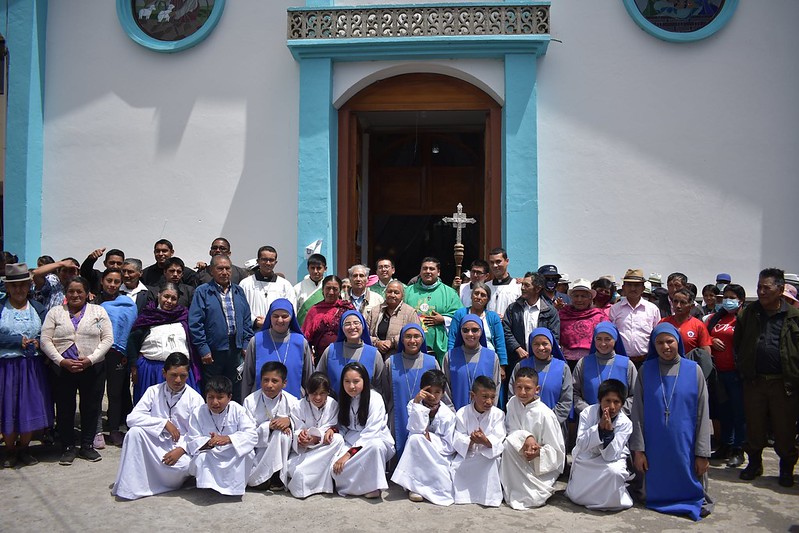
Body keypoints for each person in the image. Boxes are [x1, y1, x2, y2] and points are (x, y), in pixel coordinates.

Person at [630, 323, 712, 521]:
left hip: (686, 444)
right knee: (648, 491)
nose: (665, 347)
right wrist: (638, 450)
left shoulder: (694, 370)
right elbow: (637, 413)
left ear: (678, 342)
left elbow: (703, 414)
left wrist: (702, 453)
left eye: (670, 341)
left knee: (692, 485)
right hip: (654, 446)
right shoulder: (646, 371)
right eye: (659, 343)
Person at [733, 268, 799, 487]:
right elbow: (738, 344)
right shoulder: (748, 314)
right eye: (759, 287)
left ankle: (786, 468)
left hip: (783, 384)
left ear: (780, 290)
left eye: (766, 288)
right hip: (755, 381)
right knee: (754, 426)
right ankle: (754, 463)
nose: (761, 292)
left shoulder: (793, 316)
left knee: (785, 428)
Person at [40, 276, 114, 465]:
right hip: (62, 368)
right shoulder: (55, 313)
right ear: (66, 293)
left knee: (91, 407)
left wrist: (91, 359)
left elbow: (108, 339)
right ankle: (67, 447)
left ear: (87, 293)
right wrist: (61, 361)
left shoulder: (98, 311)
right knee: (65, 408)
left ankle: (87, 446)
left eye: (79, 291)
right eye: (71, 291)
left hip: (92, 367)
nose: (75, 295)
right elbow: (45, 340)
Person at [112, 353, 204, 500]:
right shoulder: (153, 391)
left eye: (183, 376)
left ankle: (166, 482)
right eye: (173, 375)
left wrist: (181, 450)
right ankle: (132, 487)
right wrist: (163, 424)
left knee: (185, 466)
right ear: (164, 373)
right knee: (134, 432)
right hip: (155, 443)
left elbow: (199, 433)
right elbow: (132, 418)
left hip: (179, 447)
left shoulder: (195, 398)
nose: (178, 380)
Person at [0, 263, 52, 468]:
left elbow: (48, 332)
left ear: (29, 286)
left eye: (23, 285)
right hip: (6, 366)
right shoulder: (1, 307)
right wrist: (16, 342)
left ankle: (24, 448)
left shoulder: (38, 308)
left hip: (32, 366)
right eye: (14, 286)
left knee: (28, 406)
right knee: (8, 407)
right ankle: (10, 450)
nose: (19, 290)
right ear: (7, 287)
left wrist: (39, 341)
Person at [189, 254, 254, 402]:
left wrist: (246, 344)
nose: (224, 272)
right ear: (212, 270)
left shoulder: (238, 291)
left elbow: (246, 320)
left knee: (234, 388)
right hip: (213, 351)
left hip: (235, 350)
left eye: (227, 268)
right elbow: (195, 323)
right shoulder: (203, 291)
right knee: (213, 389)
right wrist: (203, 349)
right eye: (220, 268)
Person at [501, 367, 565, 509]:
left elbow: (557, 452)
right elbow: (511, 430)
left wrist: (538, 452)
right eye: (519, 387)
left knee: (534, 498)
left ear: (537, 389)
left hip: (538, 464)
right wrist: (526, 437)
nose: (522, 392)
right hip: (517, 458)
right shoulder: (512, 403)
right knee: (507, 445)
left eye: (528, 388)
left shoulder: (546, 414)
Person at [565, 378, 634, 511]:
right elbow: (581, 443)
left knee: (614, 472)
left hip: (612, 459)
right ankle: (583, 496)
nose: (612, 407)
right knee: (580, 475)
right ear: (600, 400)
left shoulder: (626, 423)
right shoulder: (587, 413)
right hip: (587, 457)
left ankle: (609, 501)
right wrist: (599, 429)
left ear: (622, 403)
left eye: (616, 402)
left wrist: (608, 434)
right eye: (607, 401)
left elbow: (610, 456)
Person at [391, 369, 457, 505]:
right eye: (428, 391)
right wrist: (417, 403)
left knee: (418, 440)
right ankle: (414, 487)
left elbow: (449, 446)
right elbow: (415, 429)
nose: (432, 396)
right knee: (415, 439)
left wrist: (430, 438)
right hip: (417, 449)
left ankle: (426, 487)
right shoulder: (413, 404)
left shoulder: (448, 415)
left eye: (437, 392)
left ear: (443, 393)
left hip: (439, 455)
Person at [185, 375, 258, 496]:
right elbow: (192, 439)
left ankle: (235, 488)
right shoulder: (198, 412)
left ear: (229, 397)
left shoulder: (238, 410)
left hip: (232, 450)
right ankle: (209, 485)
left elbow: (251, 435)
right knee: (202, 457)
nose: (214, 402)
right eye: (210, 397)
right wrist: (209, 442)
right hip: (210, 451)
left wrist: (228, 439)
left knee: (247, 454)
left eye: (220, 397)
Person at [128, 283, 201, 403]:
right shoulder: (148, 316)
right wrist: (134, 366)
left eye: (173, 298)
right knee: (152, 405)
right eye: (166, 296)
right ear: (159, 295)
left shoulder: (184, 316)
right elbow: (132, 342)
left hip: (180, 371)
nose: (169, 301)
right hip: (151, 370)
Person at [332, 362, 395, 498]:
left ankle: (374, 487)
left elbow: (372, 432)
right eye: (347, 381)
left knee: (375, 447)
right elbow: (343, 426)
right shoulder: (344, 398)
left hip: (374, 439)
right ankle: (361, 487)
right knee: (335, 469)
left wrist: (348, 454)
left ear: (364, 381)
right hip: (350, 440)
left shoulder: (375, 398)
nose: (351, 386)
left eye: (356, 381)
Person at [92, 268, 138, 447]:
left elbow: (131, 329)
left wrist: (127, 352)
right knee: (95, 393)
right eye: (109, 280)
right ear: (102, 281)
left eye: (116, 282)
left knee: (115, 394)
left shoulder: (127, 303)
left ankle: (114, 429)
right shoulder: (93, 302)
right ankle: (96, 431)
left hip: (118, 354)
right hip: (96, 353)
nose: (112, 285)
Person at [381, 323, 441, 458]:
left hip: (426, 419)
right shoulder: (391, 363)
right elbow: (385, 393)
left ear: (423, 339)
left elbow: (441, 394)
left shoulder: (432, 363)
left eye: (416, 336)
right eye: (408, 336)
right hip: (397, 417)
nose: (412, 340)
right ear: (402, 339)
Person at [502, 271, 560, 405]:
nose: (522, 288)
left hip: (542, 362)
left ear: (538, 288)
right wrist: (517, 348)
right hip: (518, 361)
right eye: (522, 284)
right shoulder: (513, 309)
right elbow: (506, 330)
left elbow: (554, 336)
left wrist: (540, 353)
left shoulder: (550, 311)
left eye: (526, 285)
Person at [706, 283, 746, 468]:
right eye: (725, 297)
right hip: (719, 373)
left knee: (739, 412)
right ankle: (726, 445)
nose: (728, 301)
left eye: (732, 298)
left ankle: (738, 449)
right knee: (724, 412)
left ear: (741, 300)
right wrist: (711, 339)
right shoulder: (716, 318)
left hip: (736, 373)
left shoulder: (744, 319)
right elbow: (704, 336)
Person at [286, 372, 345, 498]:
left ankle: (304, 471)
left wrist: (324, 434)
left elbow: (333, 426)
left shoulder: (333, 404)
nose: (318, 397)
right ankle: (302, 470)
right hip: (305, 452)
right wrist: (303, 437)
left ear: (328, 392)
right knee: (299, 473)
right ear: (307, 391)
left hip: (323, 448)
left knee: (338, 439)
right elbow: (297, 430)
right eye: (314, 393)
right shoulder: (299, 406)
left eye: (322, 393)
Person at [242, 298, 313, 401]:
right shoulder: (257, 341)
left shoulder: (301, 342)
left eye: (284, 316)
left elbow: (309, 379)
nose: (280, 320)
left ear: (291, 317)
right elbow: (247, 378)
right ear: (269, 317)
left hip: (294, 404)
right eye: (275, 316)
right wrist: (245, 404)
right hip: (261, 404)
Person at [243, 361, 300, 490]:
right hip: (259, 450)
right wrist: (268, 426)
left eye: (274, 381)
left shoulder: (292, 401)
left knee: (283, 434)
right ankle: (263, 475)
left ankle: (277, 475)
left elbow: (301, 425)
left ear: (284, 383)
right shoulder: (250, 401)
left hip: (284, 449)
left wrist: (289, 421)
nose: (269, 385)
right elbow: (247, 433)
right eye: (265, 380)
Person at [450, 375, 505, 507]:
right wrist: (471, 440)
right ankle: (464, 496)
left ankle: (489, 498)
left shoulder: (498, 414)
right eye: (484, 397)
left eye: (492, 397)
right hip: (468, 454)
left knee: (491, 464)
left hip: (488, 455)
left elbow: (499, 437)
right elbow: (458, 437)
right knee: (456, 467)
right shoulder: (462, 413)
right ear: (473, 396)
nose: (489, 401)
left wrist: (485, 441)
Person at [510, 328, 573, 432]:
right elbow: (512, 395)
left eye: (545, 343)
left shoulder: (563, 368)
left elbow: (566, 400)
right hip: (524, 425)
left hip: (554, 425)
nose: (541, 347)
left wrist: (549, 421)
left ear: (552, 344)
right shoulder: (520, 366)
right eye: (536, 344)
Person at [404, 257, 462, 364]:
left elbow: (460, 316)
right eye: (424, 268)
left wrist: (443, 319)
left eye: (431, 269)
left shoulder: (449, 293)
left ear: (438, 272)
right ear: (420, 271)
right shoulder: (408, 291)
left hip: (439, 344)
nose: (428, 271)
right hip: (412, 342)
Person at [572, 322, 636, 418]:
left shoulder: (627, 365)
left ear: (615, 340)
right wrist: (590, 413)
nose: (603, 343)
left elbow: (635, 395)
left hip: (619, 419)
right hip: (589, 419)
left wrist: (617, 412)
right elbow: (574, 392)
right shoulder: (583, 363)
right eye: (598, 339)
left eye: (607, 339)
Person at [316, 310, 383, 396]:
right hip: (335, 403)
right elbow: (318, 379)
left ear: (363, 326)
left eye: (356, 323)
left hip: (364, 403)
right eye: (347, 324)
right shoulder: (331, 351)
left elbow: (380, 387)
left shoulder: (374, 354)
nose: (352, 327)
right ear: (342, 328)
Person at [447, 281, 508, 375]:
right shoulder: (460, 314)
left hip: (488, 360)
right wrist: (451, 359)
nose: (479, 297)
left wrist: (502, 365)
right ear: (471, 296)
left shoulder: (493, 317)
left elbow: (500, 342)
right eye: (476, 293)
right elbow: (452, 338)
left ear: (487, 299)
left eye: (483, 295)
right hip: (463, 359)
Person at [443, 314, 501, 410]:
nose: (470, 334)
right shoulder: (450, 356)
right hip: (455, 413)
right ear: (460, 332)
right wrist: (451, 412)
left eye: (475, 330)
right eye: (465, 330)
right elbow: (445, 388)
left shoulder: (492, 357)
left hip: (485, 414)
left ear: (481, 331)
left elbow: (496, 387)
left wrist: (489, 411)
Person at [608, 268, 662, 365]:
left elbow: (657, 335)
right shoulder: (615, 309)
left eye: (637, 285)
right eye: (629, 285)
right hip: (621, 360)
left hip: (646, 360)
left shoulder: (652, 309)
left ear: (643, 288)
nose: (633, 288)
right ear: (623, 287)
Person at [240, 246, 297, 330]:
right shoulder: (245, 284)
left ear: (275, 262)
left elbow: (291, 310)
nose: (268, 263)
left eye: (271, 260)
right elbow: (241, 308)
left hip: (277, 331)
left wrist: (272, 322)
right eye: (264, 259)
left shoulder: (285, 285)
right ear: (258, 261)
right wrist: (255, 321)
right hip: (252, 331)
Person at [301, 275, 354, 361]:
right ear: (323, 290)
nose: (331, 292)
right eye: (328, 288)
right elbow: (305, 337)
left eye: (335, 289)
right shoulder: (315, 310)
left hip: (346, 357)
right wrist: (309, 354)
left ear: (340, 291)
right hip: (320, 359)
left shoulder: (347, 309)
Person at [558, 278, 609, 366]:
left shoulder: (599, 316)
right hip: (567, 362)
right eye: (576, 296)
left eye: (583, 296)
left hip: (593, 361)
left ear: (590, 299)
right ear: (571, 298)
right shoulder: (562, 314)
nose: (579, 300)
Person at [365, 280, 421, 358]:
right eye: (389, 292)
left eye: (396, 292)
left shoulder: (410, 313)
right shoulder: (375, 311)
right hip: (375, 356)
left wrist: (392, 342)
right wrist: (377, 343)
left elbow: (416, 336)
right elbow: (365, 334)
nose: (392, 295)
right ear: (385, 293)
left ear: (402, 295)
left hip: (399, 358)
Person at [659, 288, 712, 354]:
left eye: (682, 302)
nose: (678, 306)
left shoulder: (699, 326)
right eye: (675, 301)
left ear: (691, 306)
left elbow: (705, 351)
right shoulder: (663, 323)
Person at [486, 248, 521, 317]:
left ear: (507, 261)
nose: (495, 265)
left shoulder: (517, 286)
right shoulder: (486, 287)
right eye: (492, 262)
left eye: (498, 261)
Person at [294, 253, 327, 320]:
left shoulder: (329, 287)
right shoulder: (298, 288)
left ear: (325, 269)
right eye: (312, 268)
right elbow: (294, 312)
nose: (315, 271)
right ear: (308, 269)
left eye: (319, 268)